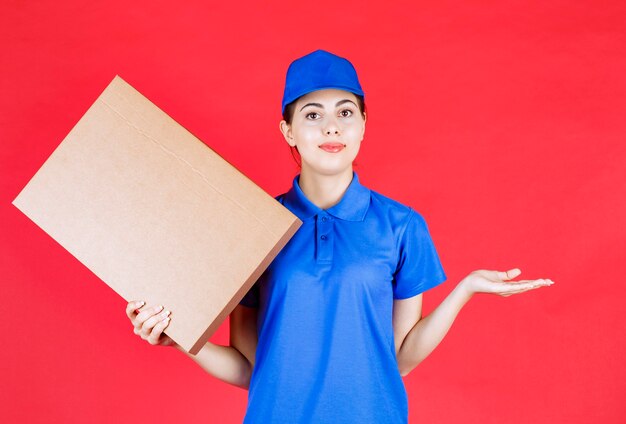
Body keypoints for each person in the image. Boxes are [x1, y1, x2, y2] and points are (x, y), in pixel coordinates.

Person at [125, 49, 553, 423]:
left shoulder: (401, 225)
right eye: (313, 115)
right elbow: (250, 368)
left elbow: (400, 359)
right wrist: (181, 340)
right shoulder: (255, 225)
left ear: (364, 125)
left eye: (345, 112)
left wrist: (465, 290)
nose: (332, 127)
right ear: (288, 131)